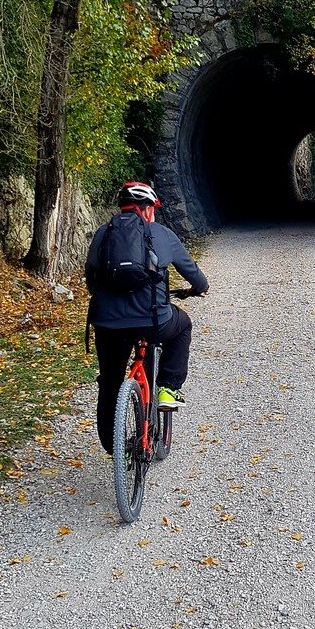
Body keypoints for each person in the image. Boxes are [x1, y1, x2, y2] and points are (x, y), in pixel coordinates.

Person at [85, 181, 209, 454]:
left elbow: (91, 279)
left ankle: (115, 447)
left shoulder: (103, 234)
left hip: (107, 324)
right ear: (147, 209)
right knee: (183, 325)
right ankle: (168, 388)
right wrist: (199, 288)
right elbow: (192, 272)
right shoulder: (161, 233)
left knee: (110, 381)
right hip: (153, 321)